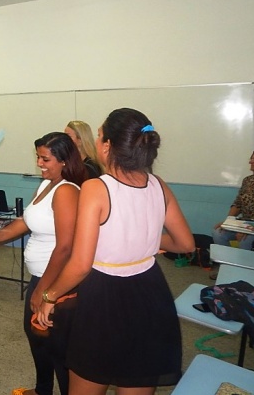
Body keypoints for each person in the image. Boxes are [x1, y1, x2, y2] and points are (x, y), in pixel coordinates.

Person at [39, 108, 194, 395]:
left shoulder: (96, 188)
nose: (96, 142)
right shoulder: (158, 185)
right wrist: (145, 241)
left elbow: (81, 264)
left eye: (99, 136)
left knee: (89, 375)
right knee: (137, 375)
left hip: (104, 296)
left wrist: (50, 296)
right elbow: (185, 244)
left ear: (107, 145)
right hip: (150, 292)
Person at [0, 132, 86, 395]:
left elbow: (65, 247)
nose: (39, 163)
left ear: (64, 160)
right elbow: (26, 221)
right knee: (37, 335)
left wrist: (43, 291)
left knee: (58, 346)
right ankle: (42, 390)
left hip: (56, 281)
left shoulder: (66, 191)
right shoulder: (46, 185)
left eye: (45, 159)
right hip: (41, 277)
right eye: (38, 157)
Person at [212, 149, 254, 250]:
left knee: (247, 240)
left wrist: (249, 229)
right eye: (251, 159)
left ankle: (244, 260)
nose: (250, 162)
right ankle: (230, 259)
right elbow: (238, 204)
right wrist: (228, 222)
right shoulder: (247, 181)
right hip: (245, 223)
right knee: (219, 233)